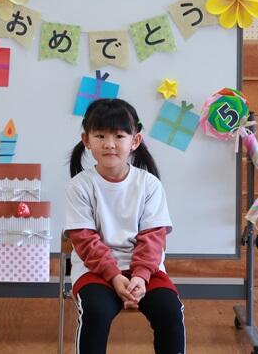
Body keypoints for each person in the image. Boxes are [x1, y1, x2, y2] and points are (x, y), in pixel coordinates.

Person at [64, 98, 186, 354]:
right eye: (100, 136)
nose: (109, 144)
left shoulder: (149, 185)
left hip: (146, 270)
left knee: (170, 311)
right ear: (86, 140)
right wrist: (114, 276)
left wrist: (140, 277)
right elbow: (84, 240)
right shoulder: (80, 186)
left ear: (135, 141)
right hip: (95, 271)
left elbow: (153, 238)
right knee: (96, 311)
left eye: (119, 136)